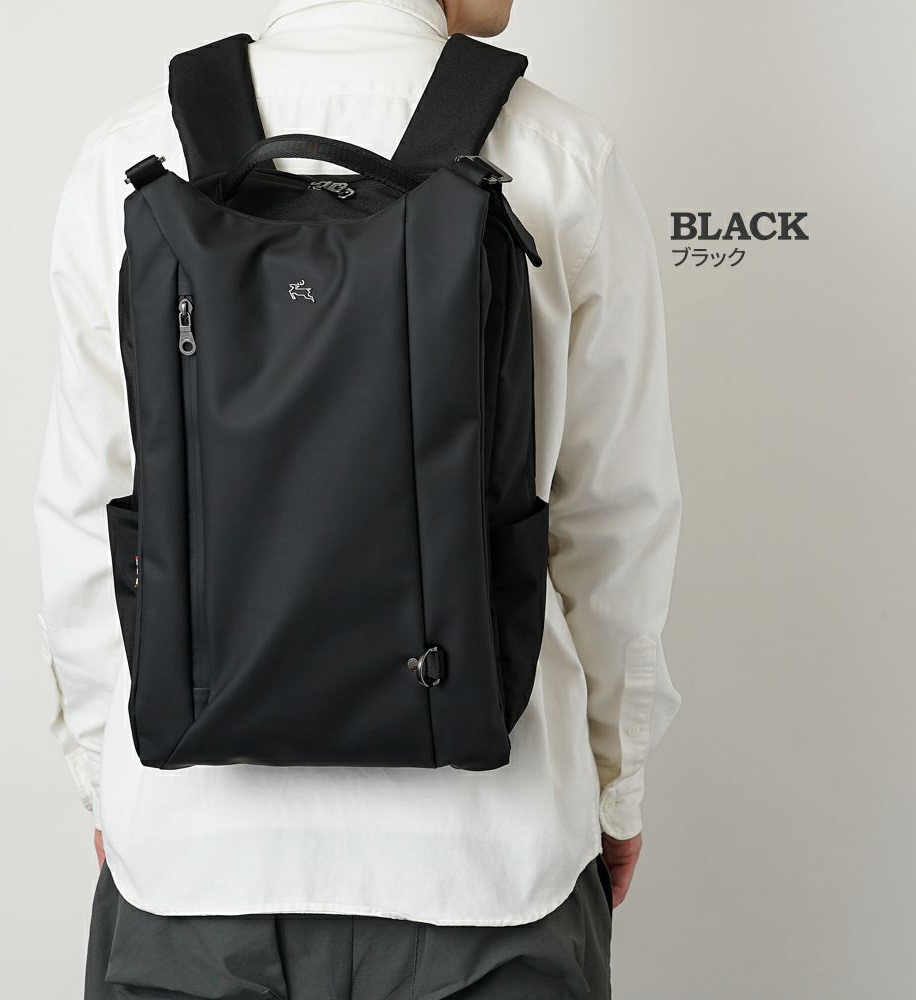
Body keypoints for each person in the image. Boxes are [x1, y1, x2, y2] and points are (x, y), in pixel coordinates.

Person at [34, 1, 684, 996]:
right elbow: (615, 526)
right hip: (488, 869)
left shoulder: (131, 153)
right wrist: (614, 789)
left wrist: (103, 780)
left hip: (194, 869)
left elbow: (85, 519)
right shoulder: (558, 154)